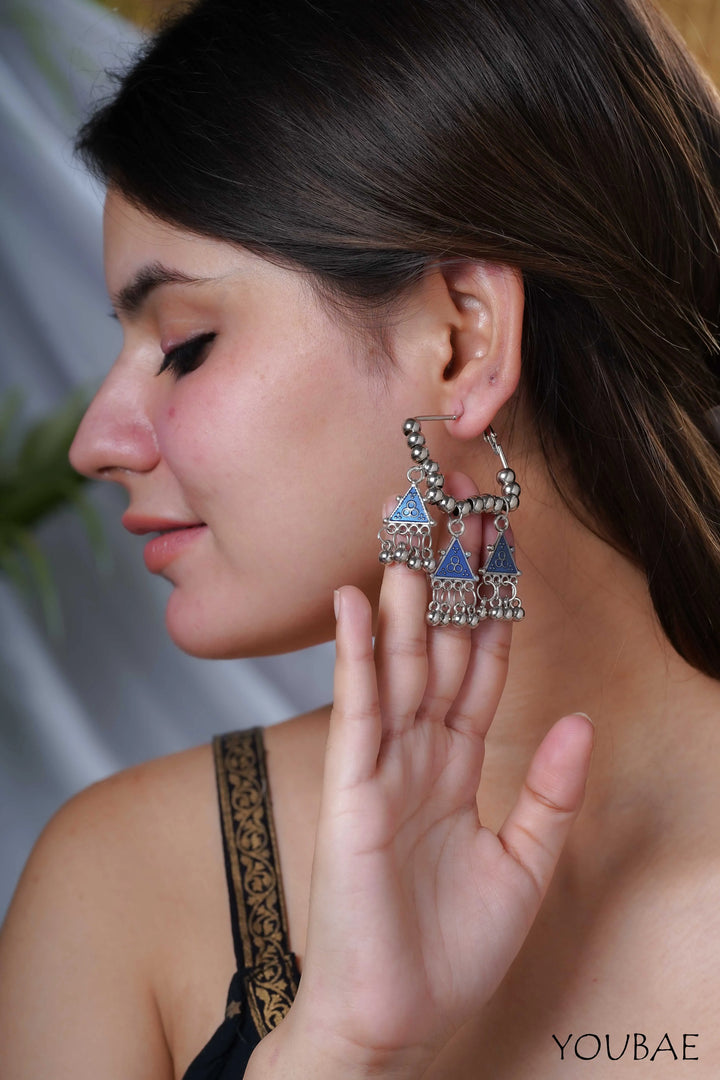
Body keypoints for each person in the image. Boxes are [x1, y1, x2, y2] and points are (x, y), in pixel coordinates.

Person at [2, 0, 720, 1075]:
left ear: (462, 340)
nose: (97, 441)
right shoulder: (118, 894)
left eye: (186, 346)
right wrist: (341, 1049)